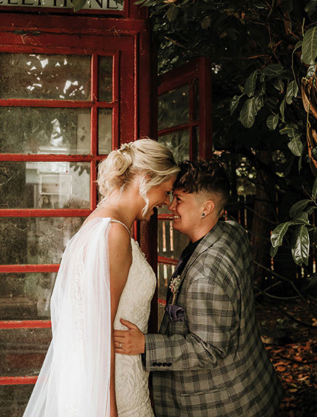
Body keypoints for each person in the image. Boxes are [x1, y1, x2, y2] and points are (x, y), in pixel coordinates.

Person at [23, 139, 180, 417]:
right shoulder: (114, 233)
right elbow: (98, 327)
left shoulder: (98, 222)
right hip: (112, 388)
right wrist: (109, 409)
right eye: (166, 191)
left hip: (114, 379)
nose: (167, 202)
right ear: (145, 179)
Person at [114, 160, 284, 416]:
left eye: (179, 199)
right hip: (253, 383)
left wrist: (146, 345)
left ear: (206, 208)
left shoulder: (206, 274)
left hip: (224, 404)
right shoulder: (233, 232)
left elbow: (210, 348)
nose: (171, 205)